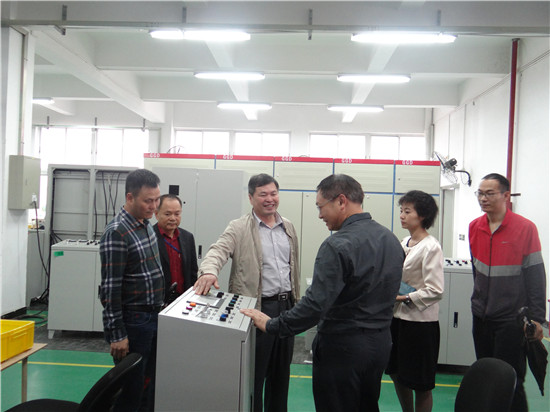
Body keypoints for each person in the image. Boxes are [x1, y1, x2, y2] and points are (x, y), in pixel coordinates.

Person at [241, 174, 404, 412]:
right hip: (379, 345)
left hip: (342, 349)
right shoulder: (390, 239)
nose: (319, 215)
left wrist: (272, 325)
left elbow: (315, 306)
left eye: (320, 207)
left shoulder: (337, 245)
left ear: (341, 201)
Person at [193, 173, 300, 412]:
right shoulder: (239, 227)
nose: (270, 199)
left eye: (273, 193)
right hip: (257, 309)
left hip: (287, 308)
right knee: (255, 376)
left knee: (281, 375)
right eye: (263, 195)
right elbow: (218, 250)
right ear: (251, 198)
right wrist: (208, 272)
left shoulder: (288, 226)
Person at [469, 173, 547, 412]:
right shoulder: (474, 227)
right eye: (480, 193)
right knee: (486, 376)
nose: (483, 198)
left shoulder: (525, 228)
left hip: (511, 320)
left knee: (511, 379)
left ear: (505, 196)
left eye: (489, 193)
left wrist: (537, 318)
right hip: (481, 318)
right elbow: (476, 272)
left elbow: (536, 276)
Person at [99, 168, 163, 412]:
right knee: (130, 391)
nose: (154, 206)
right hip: (134, 321)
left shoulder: (145, 225)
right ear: (130, 197)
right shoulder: (117, 232)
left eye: (156, 200)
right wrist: (117, 334)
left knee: (148, 387)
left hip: (152, 316)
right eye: (148, 201)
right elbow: (111, 288)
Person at [386, 190, 444, 412]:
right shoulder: (404, 242)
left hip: (420, 324)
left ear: (422, 215)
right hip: (398, 319)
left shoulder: (431, 247)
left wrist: (403, 298)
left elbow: (435, 290)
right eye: (401, 210)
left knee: (421, 383)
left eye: (407, 211)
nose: (402, 215)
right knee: (397, 373)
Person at [153, 194, 198, 303]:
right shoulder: (149, 237)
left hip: (183, 299)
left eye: (177, 214)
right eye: (167, 214)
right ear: (156, 214)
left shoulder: (187, 237)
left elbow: (193, 272)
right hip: (158, 301)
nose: (173, 218)